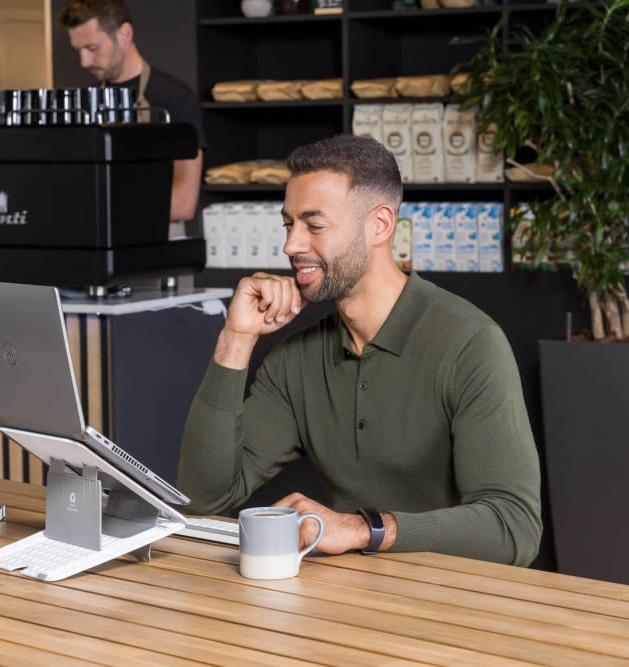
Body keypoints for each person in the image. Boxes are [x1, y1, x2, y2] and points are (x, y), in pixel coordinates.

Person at [177, 134, 542, 566]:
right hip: (349, 603)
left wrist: (358, 528)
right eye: (288, 224)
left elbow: (514, 527)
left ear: (380, 225)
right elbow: (203, 497)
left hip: (458, 606)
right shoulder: (296, 360)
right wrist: (236, 338)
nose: (290, 245)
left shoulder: (471, 343)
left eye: (314, 225)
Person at [59, 0, 204, 225]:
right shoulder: (85, 103)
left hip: (158, 245)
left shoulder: (174, 98)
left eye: (92, 48)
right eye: (78, 51)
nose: (84, 62)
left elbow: (183, 204)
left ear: (124, 34)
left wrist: (99, 209)